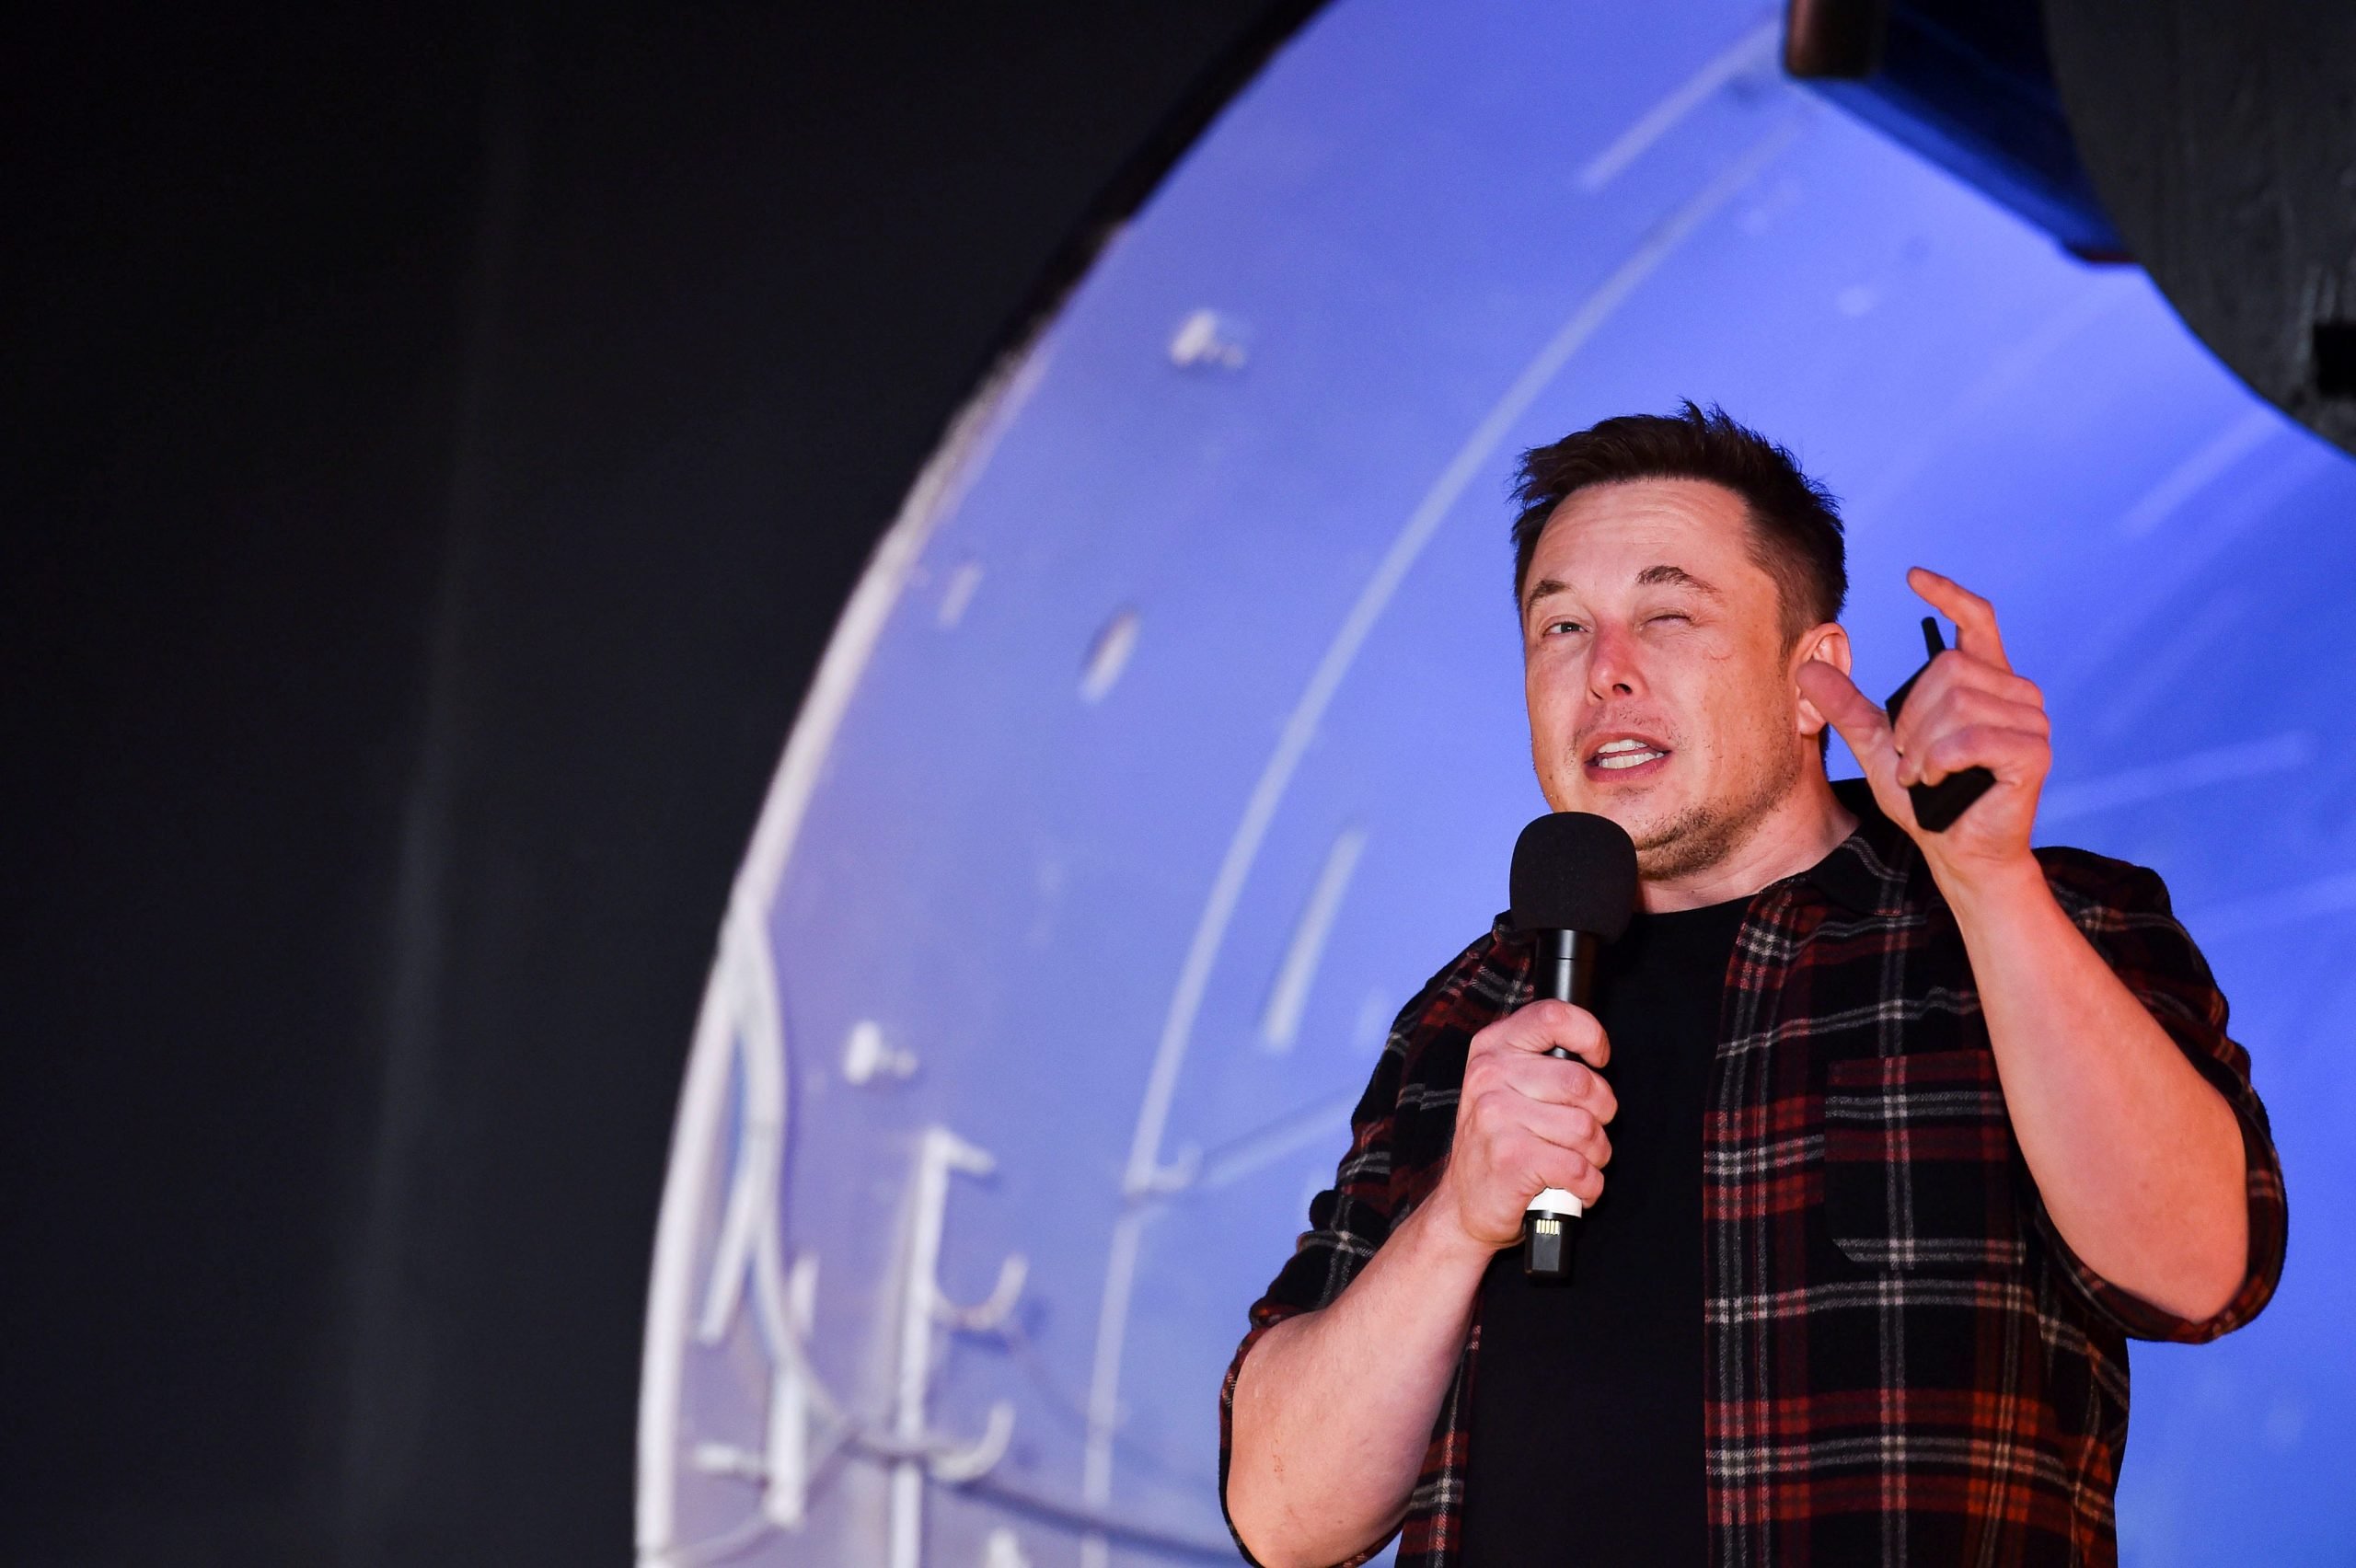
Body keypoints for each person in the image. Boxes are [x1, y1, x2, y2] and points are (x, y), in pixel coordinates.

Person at [1218, 404, 2287, 1567]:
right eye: (1561, 627)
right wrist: (1455, 1227)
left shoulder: (2033, 918)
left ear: (1810, 679)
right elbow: (1283, 1517)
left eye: (1667, 615)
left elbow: (2196, 1272)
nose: (1605, 674)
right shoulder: (1470, 1014)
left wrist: (1985, 880)